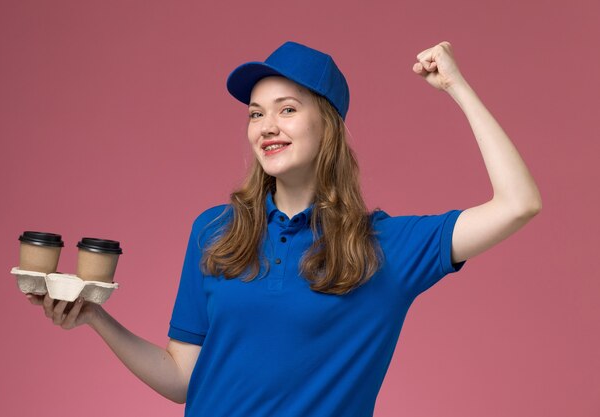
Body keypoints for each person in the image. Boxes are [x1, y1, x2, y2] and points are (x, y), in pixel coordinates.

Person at [27, 40, 542, 416]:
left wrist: (456, 86)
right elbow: (183, 379)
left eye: (287, 110)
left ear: (329, 126)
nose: (266, 126)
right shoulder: (216, 231)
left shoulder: (387, 247)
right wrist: (95, 318)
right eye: (256, 114)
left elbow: (518, 204)